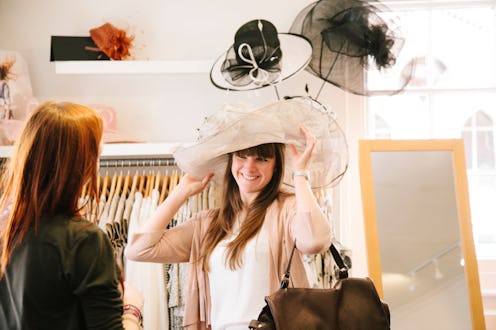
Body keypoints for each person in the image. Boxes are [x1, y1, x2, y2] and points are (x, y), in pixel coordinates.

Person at [125, 99, 348, 329]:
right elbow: (138, 250)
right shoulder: (208, 224)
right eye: (242, 156)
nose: (249, 168)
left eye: (262, 158)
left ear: (276, 165)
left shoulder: (286, 209)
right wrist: (180, 192)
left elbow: (314, 242)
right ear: (231, 161)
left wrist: (301, 173)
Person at [0, 101, 144, 329]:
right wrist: (132, 309)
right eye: (97, 153)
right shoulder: (83, 241)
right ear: (82, 163)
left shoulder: (8, 231)